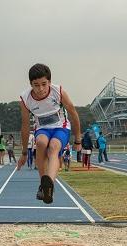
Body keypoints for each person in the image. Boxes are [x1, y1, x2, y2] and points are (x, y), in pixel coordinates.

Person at [16, 63, 82, 204]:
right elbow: (25, 125)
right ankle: (43, 184)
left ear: (50, 82)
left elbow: (74, 114)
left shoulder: (58, 92)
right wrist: (23, 152)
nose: (40, 89)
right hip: (42, 128)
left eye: (44, 84)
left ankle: (50, 184)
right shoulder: (25, 98)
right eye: (36, 85)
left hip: (61, 127)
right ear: (30, 84)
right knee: (40, 143)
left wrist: (78, 139)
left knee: (53, 147)